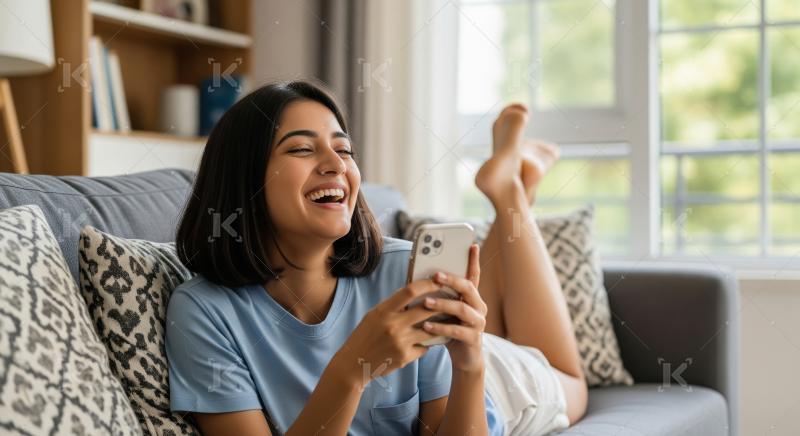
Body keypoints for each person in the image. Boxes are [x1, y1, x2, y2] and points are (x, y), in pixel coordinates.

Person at [166, 80, 588, 436]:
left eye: (344, 149)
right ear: (244, 177)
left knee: (573, 385)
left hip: (482, 384)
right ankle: (513, 183)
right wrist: (353, 370)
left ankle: (509, 190)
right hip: (437, 371)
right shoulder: (204, 311)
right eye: (301, 150)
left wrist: (471, 362)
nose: (336, 164)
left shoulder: (403, 270)